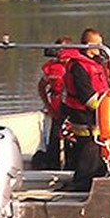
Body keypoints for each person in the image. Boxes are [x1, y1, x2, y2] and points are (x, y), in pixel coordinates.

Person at [61, 27, 110, 191]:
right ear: (89, 45)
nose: (101, 47)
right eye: (98, 44)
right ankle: (81, 185)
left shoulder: (95, 63)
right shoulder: (79, 67)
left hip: (95, 117)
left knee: (95, 152)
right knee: (88, 150)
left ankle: (94, 179)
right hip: (84, 118)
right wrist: (109, 109)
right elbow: (88, 98)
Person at [33, 36, 74, 170]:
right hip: (57, 109)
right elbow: (41, 86)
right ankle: (53, 165)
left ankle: (72, 164)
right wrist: (49, 107)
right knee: (54, 141)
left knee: (73, 141)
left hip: (73, 110)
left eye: (63, 50)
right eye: (58, 50)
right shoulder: (51, 67)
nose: (60, 54)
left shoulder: (76, 66)